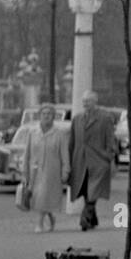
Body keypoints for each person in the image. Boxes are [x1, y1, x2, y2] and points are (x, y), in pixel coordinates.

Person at [68, 90, 114, 231]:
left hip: (99, 160)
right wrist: (70, 162)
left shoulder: (105, 118)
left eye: (87, 101)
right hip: (80, 161)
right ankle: (93, 219)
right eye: (83, 101)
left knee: (93, 190)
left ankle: (84, 219)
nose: (84, 104)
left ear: (95, 102)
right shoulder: (77, 119)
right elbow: (72, 142)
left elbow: (110, 140)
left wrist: (108, 157)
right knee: (84, 189)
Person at [23, 103, 70, 233]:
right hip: (35, 171)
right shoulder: (33, 133)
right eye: (44, 114)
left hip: (52, 172)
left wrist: (65, 171)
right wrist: (24, 172)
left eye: (49, 114)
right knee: (38, 197)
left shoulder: (59, 134)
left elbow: (65, 155)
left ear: (53, 117)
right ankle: (50, 217)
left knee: (44, 196)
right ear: (40, 116)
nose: (46, 116)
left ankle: (39, 224)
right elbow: (27, 154)